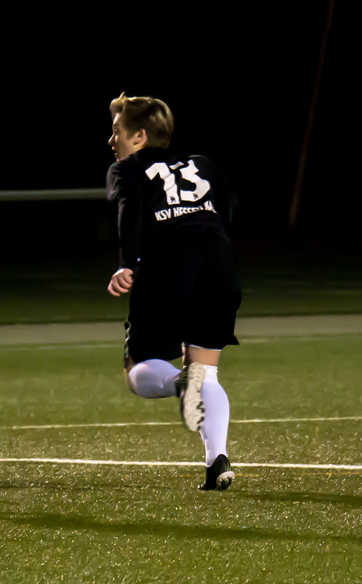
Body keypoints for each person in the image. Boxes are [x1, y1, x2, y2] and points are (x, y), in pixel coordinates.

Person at [105, 93, 241, 491]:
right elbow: (231, 209)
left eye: (117, 132)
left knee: (138, 368)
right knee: (206, 370)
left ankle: (179, 385)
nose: (111, 141)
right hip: (218, 262)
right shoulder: (205, 163)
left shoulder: (127, 169)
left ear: (140, 136)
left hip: (170, 263)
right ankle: (217, 460)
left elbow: (130, 211)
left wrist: (127, 262)